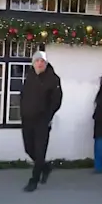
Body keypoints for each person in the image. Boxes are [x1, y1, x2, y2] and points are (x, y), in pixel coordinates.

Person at [20, 51, 63, 192]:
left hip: (42, 121)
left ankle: (34, 180)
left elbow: (56, 101)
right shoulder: (30, 76)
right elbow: (24, 96)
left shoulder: (53, 79)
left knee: (40, 151)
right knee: (29, 148)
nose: (39, 63)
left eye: (42, 61)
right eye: (37, 61)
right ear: (33, 62)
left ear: (46, 63)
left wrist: (47, 116)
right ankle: (45, 167)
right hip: (27, 119)